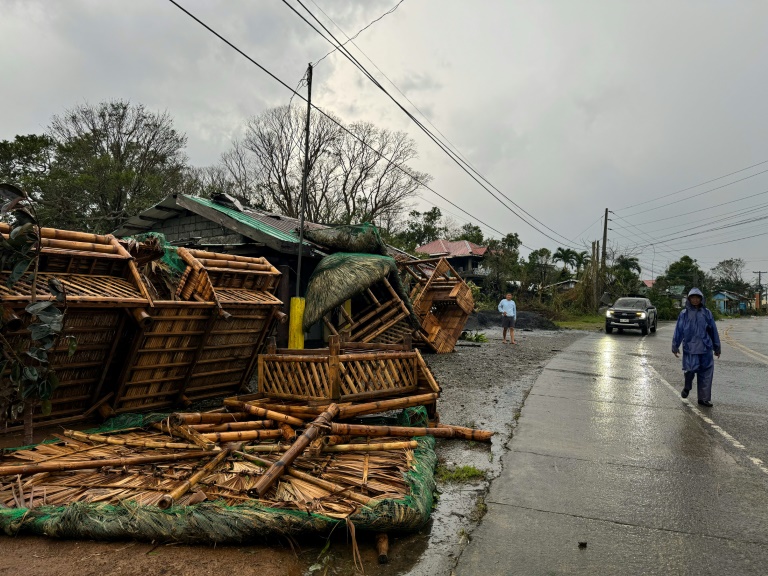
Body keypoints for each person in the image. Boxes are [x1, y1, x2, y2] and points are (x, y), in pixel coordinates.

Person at [672, 287, 721, 407]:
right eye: (692, 298)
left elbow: (713, 330)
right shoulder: (684, 314)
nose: (695, 300)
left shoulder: (707, 313)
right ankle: (687, 386)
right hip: (690, 347)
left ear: (701, 299)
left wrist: (717, 347)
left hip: (706, 347)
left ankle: (703, 398)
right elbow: (679, 330)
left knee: (706, 373)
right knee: (690, 370)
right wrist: (675, 345)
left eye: (697, 298)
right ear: (689, 299)